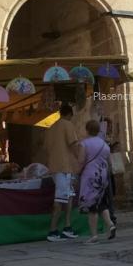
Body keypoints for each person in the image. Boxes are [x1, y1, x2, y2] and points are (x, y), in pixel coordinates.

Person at [43, 103, 79, 242]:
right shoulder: (67, 125)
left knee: (68, 196)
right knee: (59, 199)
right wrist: (80, 159)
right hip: (64, 167)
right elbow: (73, 144)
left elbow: (46, 148)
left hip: (55, 166)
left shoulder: (51, 128)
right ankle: (52, 230)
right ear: (70, 114)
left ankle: (67, 227)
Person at [78, 120, 115, 244]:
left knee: (92, 207)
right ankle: (110, 224)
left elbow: (81, 161)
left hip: (90, 176)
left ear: (87, 130)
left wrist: (77, 172)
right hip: (103, 176)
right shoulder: (105, 145)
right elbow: (110, 163)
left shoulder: (84, 144)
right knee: (102, 202)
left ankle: (94, 236)